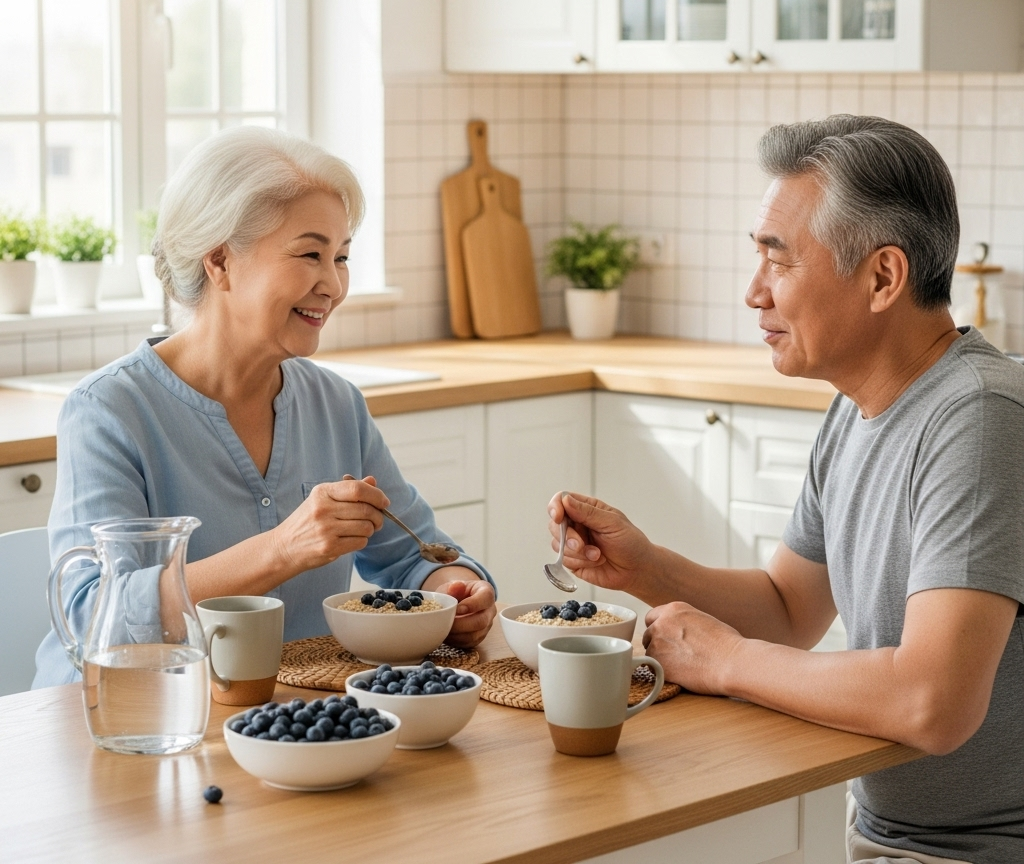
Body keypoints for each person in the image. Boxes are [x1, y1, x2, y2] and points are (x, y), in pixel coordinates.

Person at [548, 116, 1024, 864]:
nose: (753, 293)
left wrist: (724, 660)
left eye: (780, 262)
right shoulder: (860, 405)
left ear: (883, 278)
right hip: (886, 834)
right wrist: (644, 569)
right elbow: (788, 609)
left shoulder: (979, 418)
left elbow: (932, 703)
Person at [35, 127, 496, 688]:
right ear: (221, 261)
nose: (333, 284)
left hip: (286, 720)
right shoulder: (109, 413)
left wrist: (453, 589)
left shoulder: (337, 406)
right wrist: (280, 549)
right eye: (310, 254)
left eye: (342, 257)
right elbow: (92, 618)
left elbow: (411, 557)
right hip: (129, 722)